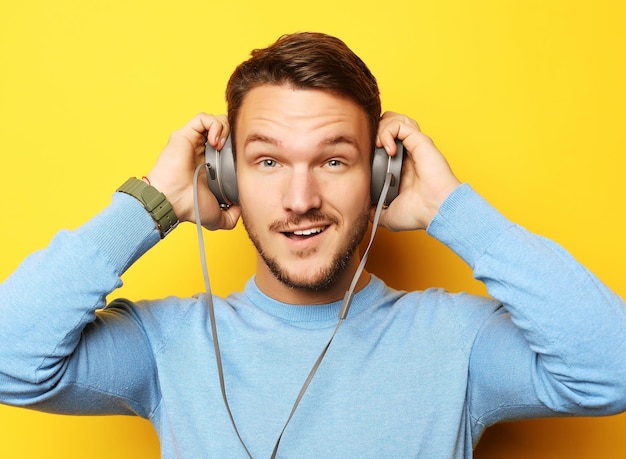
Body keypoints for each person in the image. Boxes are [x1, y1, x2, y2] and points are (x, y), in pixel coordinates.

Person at [0, 32, 625, 459]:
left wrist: (452, 211)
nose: (301, 198)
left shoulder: (456, 340)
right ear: (223, 178)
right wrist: (150, 205)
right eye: (268, 161)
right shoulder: (168, 347)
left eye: (333, 160)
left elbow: (614, 370)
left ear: (379, 178)